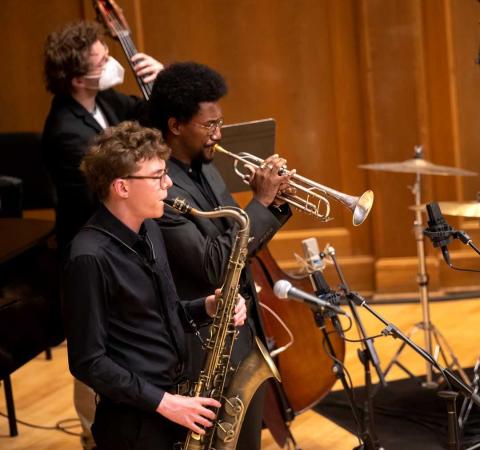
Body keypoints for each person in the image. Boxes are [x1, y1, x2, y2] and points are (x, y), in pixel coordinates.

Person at [62, 121, 247, 450]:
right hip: (134, 425)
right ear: (122, 187)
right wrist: (164, 403)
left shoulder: (150, 230)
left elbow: (164, 313)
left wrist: (209, 306)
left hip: (174, 407)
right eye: (157, 175)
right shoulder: (88, 258)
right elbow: (88, 361)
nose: (169, 183)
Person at [148, 62, 294, 449]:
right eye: (208, 126)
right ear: (176, 125)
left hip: (241, 332)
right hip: (205, 346)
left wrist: (274, 205)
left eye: (220, 123)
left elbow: (241, 245)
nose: (218, 135)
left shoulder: (207, 170)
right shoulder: (161, 188)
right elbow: (214, 264)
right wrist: (259, 202)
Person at [41, 21, 163, 449]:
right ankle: (95, 436)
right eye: (102, 60)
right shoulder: (64, 131)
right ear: (77, 78)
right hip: (93, 253)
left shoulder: (106, 100)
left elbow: (150, 125)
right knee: (96, 348)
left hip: (118, 244)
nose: (113, 63)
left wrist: (159, 83)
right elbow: (113, 182)